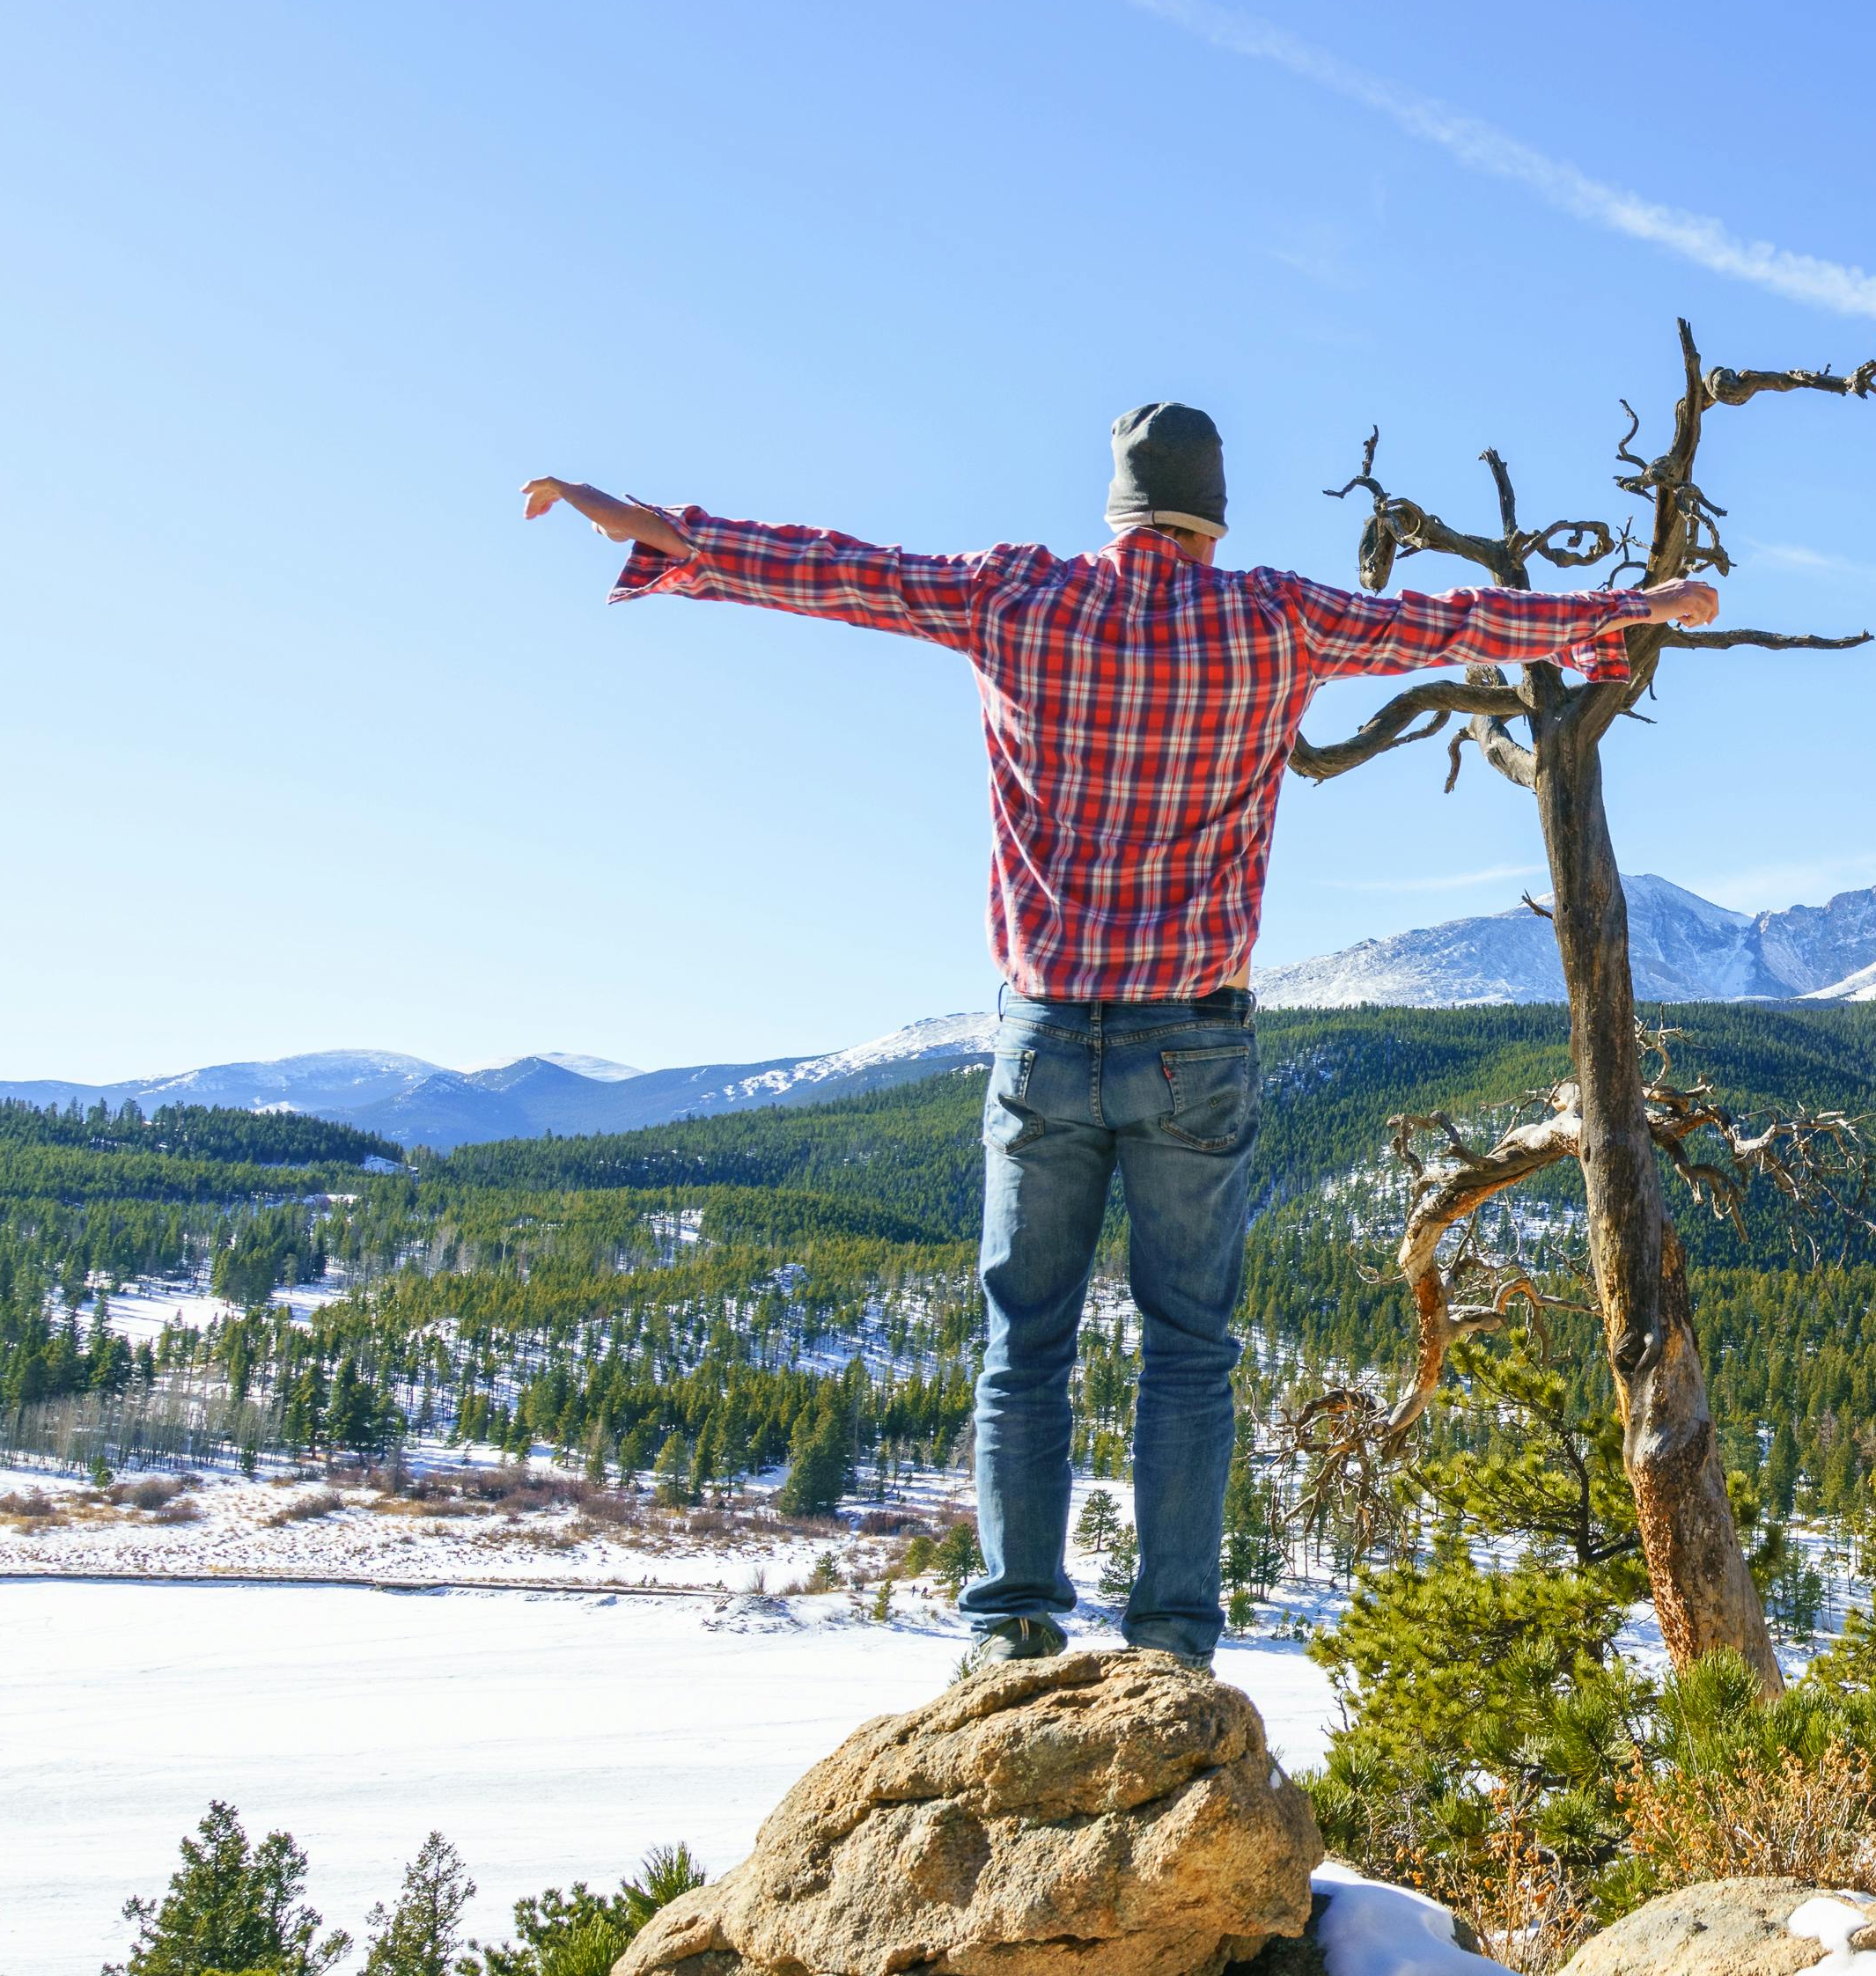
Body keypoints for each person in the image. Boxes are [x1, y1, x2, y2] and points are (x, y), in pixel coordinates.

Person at [522, 401, 1718, 1678]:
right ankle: (1173, 1646)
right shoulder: (1275, 618)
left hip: (1043, 1034)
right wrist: (1634, 608)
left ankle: (1014, 1628)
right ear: (1213, 515)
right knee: (1188, 1349)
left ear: (1118, 509)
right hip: (1192, 1043)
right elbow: (1455, 622)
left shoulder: (1015, 598)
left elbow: (841, 572)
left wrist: (658, 529)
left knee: (1023, 1342)